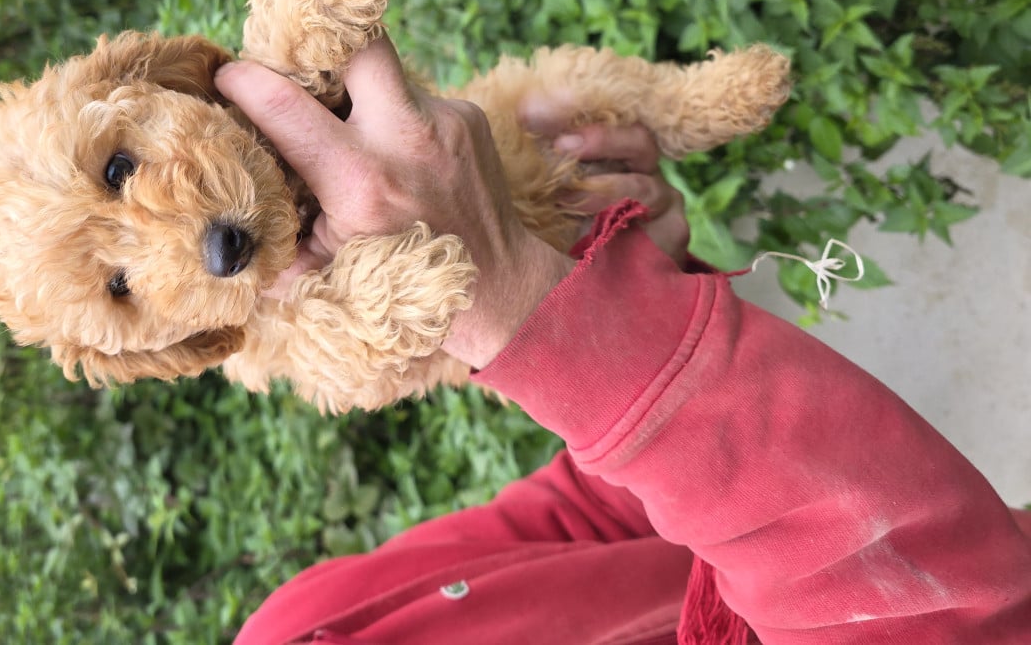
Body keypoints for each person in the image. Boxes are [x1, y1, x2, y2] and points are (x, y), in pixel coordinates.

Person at [213, 35, 1031, 645]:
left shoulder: (299, 626)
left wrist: (604, 295)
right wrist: (521, 307)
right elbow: (965, 615)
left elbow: (593, 515)